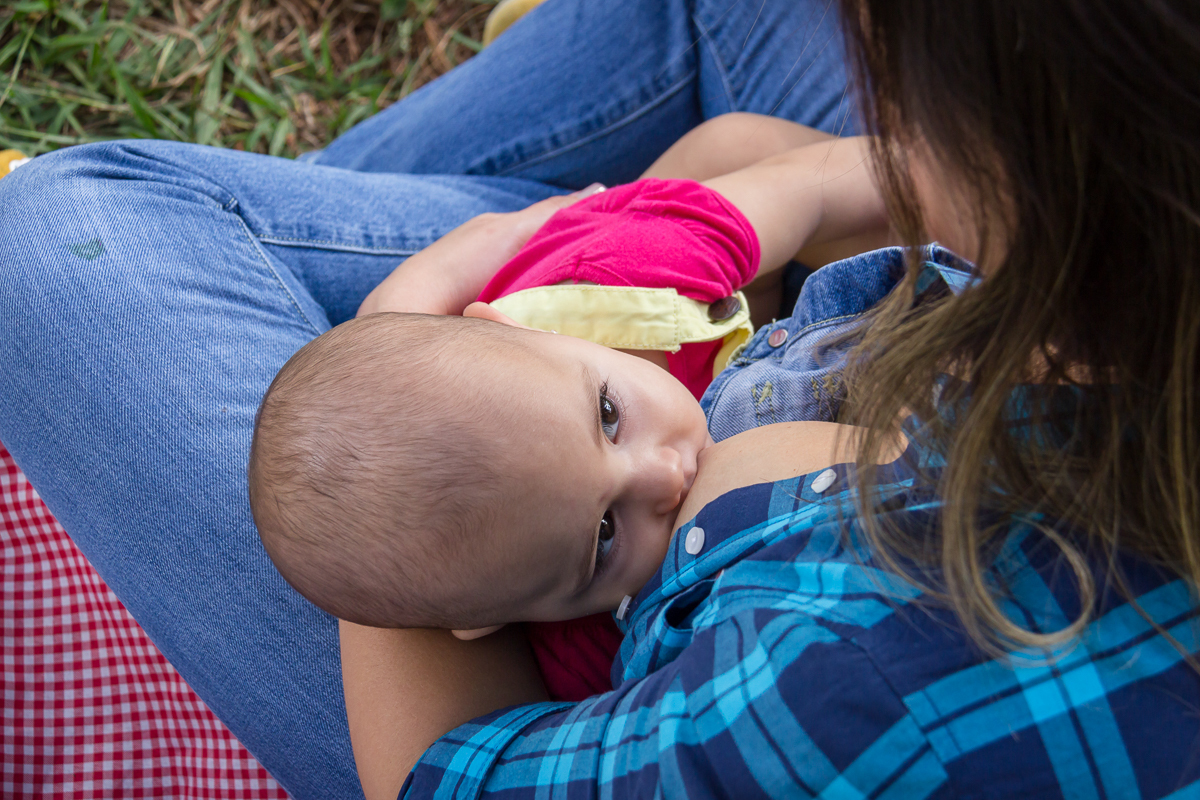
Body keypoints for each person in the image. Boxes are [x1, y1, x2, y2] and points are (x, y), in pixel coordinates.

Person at [0, 2, 1196, 800]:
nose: (665, 473)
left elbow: (445, 768)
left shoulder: (860, 682)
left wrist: (388, 375)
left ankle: (296, 289)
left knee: (65, 234)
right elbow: (776, 177)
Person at [247, 127, 890, 702]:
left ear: (508, 324)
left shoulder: (633, 271)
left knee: (732, 147)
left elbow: (816, 191)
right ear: (489, 622)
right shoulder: (586, 660)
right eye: (605, 533)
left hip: (678, 264)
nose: (667, 475)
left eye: (609, 417)